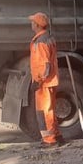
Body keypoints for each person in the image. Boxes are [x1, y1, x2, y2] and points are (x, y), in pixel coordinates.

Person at [27, 12, 61, 147]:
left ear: (36, 25)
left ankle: (50, 140)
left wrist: (39, 81)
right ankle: (56, 135)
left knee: (44, 111)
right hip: (50, 80)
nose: (31, 24)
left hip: (44, 83)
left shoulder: (40, 42)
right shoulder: (48, 37)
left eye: (32, 22)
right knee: (50, 110)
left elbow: (45, 65)